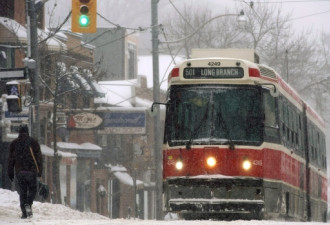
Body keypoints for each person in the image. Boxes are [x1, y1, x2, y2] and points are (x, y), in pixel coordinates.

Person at [7, 124, 42, 219]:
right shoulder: (33, 142)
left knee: (22, 192)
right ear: (27, 131)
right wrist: (40, 171)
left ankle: (24, 213)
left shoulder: (14, 143)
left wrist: (10, 172)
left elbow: (11, 159)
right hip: (31, 171)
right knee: (33, 190)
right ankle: (29, 203)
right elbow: (38, 158)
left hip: (20, 172)